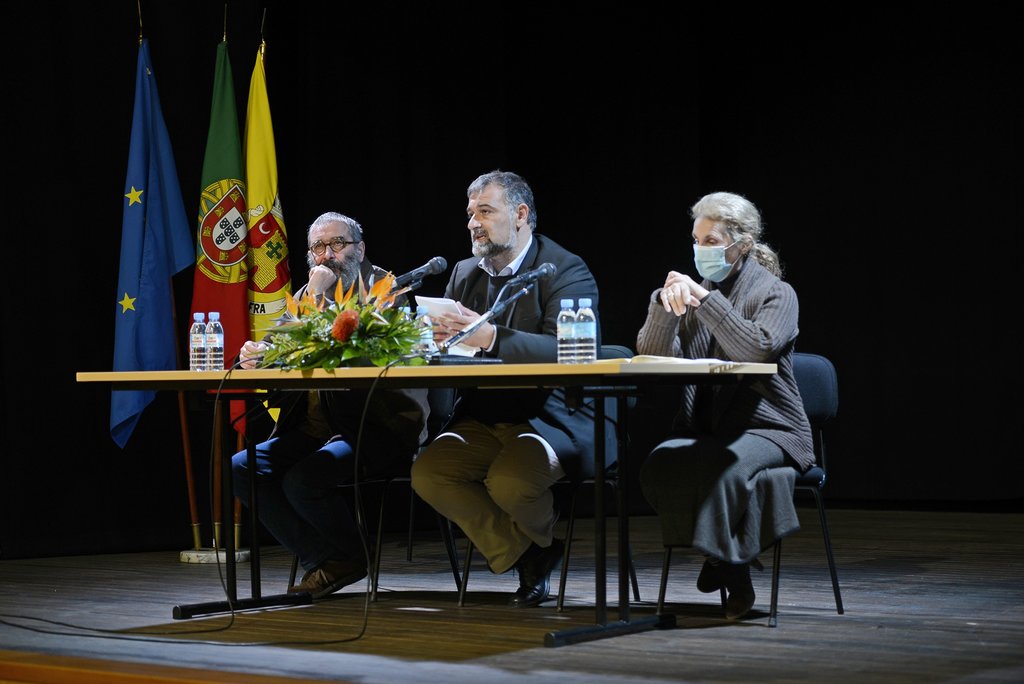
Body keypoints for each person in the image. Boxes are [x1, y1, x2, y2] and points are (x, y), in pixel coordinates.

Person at [411, 170, 605, 608]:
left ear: (520, 214)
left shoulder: (564, 269)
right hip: (484, 413)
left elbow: (571, 351)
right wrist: (431, 342)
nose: (473, 223)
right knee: (429, 473)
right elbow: (452, 352)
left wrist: (490, 338)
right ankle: (531, 551)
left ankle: (532, 550)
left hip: (552, 414)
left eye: (485, 211)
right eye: (469, 214)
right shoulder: (464, 273)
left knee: (510, 483)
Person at [231, 211, 429, 599]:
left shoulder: (386, 290)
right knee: (244, 468)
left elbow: (347, 354)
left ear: (359, 248)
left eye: (336, 244)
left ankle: (352, 555)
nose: (326, 255)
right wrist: (261, 353)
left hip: (378, 424)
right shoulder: (306, 294)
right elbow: (283, 345)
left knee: (302, 479)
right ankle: (328, 559)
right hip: (319, 426)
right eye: (318, 247)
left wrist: (319, 299)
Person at [636, 191, 814, 620]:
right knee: (660, 465)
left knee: (724, 470)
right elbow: (652, 357)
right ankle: (718, 556)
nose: (701, 251)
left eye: (712, 242)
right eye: (697, 241)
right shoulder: (694, 294)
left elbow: (757, 349)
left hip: (771, 427)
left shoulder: (777, 294)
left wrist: (706, 301)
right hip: (708, 425)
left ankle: (733, 573)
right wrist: (664, 307)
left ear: (743, 244)